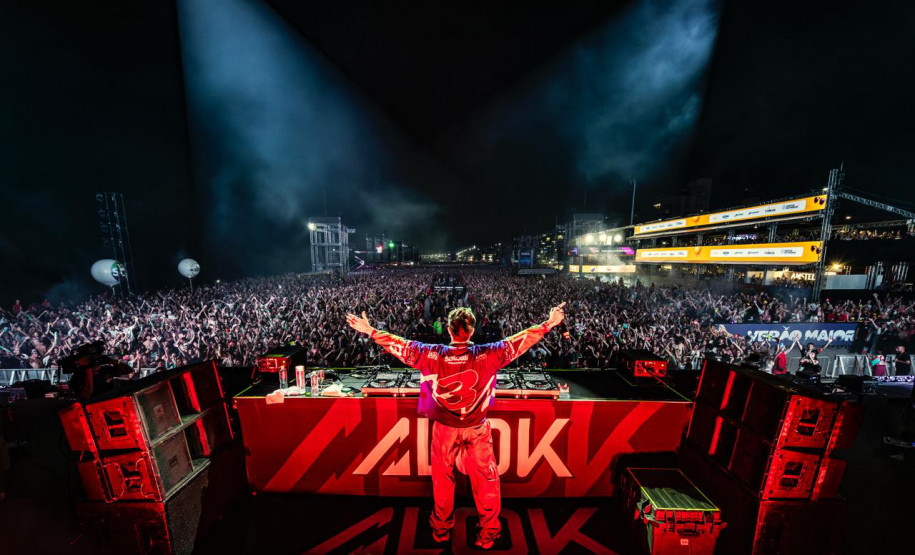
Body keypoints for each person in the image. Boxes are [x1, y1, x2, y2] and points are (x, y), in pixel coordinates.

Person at [346, 302, 566, 550]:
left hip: (444, 428)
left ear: (449, 330)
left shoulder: (431, 354)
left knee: (442, 480)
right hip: (477, 427)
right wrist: (549, 323)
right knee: (486, 481)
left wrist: (370, 330)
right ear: (471, 331)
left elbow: (400, 345)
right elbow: (521, 340)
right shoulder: (490, 353)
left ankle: (441, 529)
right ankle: (488, 533)